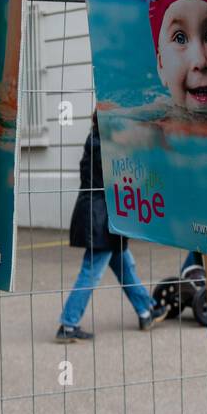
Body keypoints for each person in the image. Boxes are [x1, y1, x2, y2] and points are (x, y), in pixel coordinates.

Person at [57, 113, 162, 342]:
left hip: (100, 216)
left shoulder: (96, 140)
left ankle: (146, 310)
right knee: (91, 272)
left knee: (125, 265)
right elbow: (125, 177)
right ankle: (68, 324)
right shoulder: (105, 146)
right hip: (101, 219)